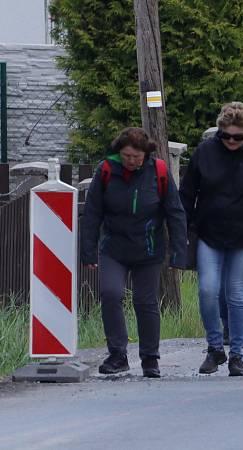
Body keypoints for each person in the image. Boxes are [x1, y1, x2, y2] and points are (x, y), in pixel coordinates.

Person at [180, 102, 243, 377]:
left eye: (237, 137)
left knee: (236, 293)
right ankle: (215, 347)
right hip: (209, 233)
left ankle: (237, 354)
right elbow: (187, 192)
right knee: (207, 290)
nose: (231, 142)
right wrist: (185, 226)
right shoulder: (205, 153)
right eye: (226, 136)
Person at [81, 127, 187, 378]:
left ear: (145, 155)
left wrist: (179, 253)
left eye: (137, 158)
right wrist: (88, 250)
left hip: (149, 249)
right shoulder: (106, 170)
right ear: (120, 152)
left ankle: (150, 358)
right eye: (127, 156)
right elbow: (93, 212)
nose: (132, 162)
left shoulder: (158, 171)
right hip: (114, 247)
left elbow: (175, 212)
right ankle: (117, 354)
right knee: (110, 293)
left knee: (145, 301)